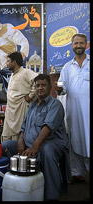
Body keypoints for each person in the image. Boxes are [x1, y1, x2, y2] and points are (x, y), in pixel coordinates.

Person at [2, 74, 70, 201]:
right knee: (6, 146)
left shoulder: (55, 105)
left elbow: (48, 128)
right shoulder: (32, 106)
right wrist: (21, 141)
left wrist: (35, 146)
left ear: (50, 87)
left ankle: (52, 195)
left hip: (52, 143)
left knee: (47, 150)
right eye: (37, 85)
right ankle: (13, 185)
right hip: (30, 144)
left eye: (43, 85)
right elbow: (23, 127)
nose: (40, 88)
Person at [53, 33, 90, 184]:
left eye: (82, 43)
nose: (79, 46)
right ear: (72, 46)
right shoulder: (67, 67)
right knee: (75, 139)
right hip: (74, 110)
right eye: (76, 43)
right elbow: (63, 89)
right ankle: (77, 173)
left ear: (87, 45)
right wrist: (59, 89)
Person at [1, 51, 38, 141]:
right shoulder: (13, 75)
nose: (7, 64)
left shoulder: (26, 72)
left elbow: (38, 79)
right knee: (6, 138)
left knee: (19, 138)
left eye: (8, 61)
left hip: (21, 110)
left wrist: (30, 95)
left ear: (14, 62)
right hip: (10, 113)